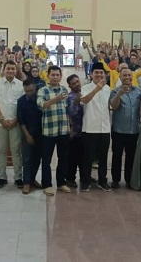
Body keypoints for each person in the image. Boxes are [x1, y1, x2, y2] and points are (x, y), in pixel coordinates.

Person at [0, 61, 25, 189]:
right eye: (8, 68)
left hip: (16, 123)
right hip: (0, 124)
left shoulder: (21, 85)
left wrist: (15, 120)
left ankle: (18, 177)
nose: (10, 71)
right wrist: (2, 120)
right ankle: (2, 177)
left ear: (16, 70)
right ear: (4, 70)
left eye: (12, 69)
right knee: (1, 150)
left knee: (16, 150)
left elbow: (23, 106)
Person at [37, 66, 71, 195]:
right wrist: (56, 99)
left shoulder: (64, 90)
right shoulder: (43, 90)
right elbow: (42, 105)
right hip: (49, 131)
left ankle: (61, 183)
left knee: (63, 158)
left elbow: (67, 109)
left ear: (61, 76)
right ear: (48, 76)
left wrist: (71, 127)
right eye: (53, 75)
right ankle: (47, 184)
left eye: (57, 75)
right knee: (46, 159)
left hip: (64, 130)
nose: (55, 77)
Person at [109, 67, 141, 189]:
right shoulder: (114, 91)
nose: (127, 78)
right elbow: (114, 107)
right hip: (118, 130)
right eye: (124, 75)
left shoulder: (139, 92)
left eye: (129, 75)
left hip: (133, 130)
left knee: (131, 156)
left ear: (132, 77)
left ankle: (129, 180)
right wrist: (119, 94)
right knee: (117, 156)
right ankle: (115, 180)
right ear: (120, 77)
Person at [80, 62, 112, 192]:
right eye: (96, 72)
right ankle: (85, 181)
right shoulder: (86, 87)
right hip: (90, 127)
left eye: (101, 73)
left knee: (103, 157)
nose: (99, 75)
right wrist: (97, 89)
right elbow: (84, 100)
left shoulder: (108, 88)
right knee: (88, 157)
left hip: (105, 128)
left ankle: (102, 181)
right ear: (91, 74)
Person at [18, 78, 43, 194]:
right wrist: (27, 135)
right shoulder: (21, 101)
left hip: (41, 133)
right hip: (27, 132)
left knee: (37, 158)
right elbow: (21, 120)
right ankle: (26, 183)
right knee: (27, 158)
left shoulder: (40, 99)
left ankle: (32, 179)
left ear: (35, 88)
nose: (29, 93)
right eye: (26, 91)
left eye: (31, 90)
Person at [65, 74, 84, 189]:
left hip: (86, 131)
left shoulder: (85, 92)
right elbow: (71, 113)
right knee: (73, 157)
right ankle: (70, 178)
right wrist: (77, 102)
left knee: (84, 157)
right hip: (74, 132)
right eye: (73, 83)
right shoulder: (70, 97)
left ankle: (85, 176)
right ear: (70, 86)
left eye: (77, 81)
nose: (77, 84)